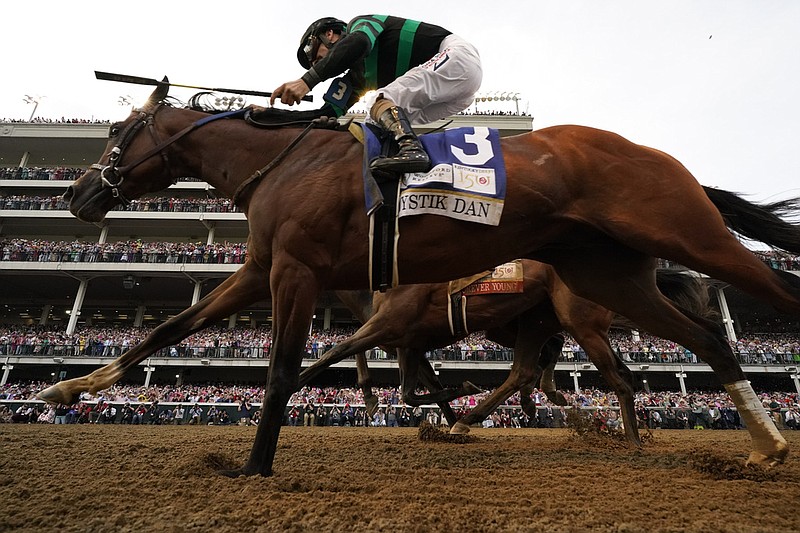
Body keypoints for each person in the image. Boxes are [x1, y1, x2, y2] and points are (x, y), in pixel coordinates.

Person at [271, 15, 482, 178]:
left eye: (316, 56)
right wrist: (272, 116)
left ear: (330, 34)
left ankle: (413, 151)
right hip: (458, 97)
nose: (316, 64)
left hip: (457, 56)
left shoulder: (359, 25)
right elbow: (326, 114)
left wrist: (307, 81)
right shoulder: (356, 78)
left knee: (380, 99)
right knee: (374, 123)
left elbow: (358, 44)